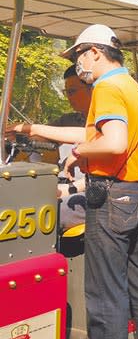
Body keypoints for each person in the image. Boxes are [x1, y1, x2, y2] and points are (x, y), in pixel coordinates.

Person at [59, 24, 138, 339]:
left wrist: (78, 154)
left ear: (94, 51)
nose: (77, 66)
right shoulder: (134, 88)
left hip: (110, 197)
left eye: (78, 57)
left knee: (106, 290)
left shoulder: (106, 87)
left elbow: (114, 141)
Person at [8, 65, 91, 231]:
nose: (68, 97)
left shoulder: (105, 125)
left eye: (72, 91)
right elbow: (45, 134)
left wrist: (67, 189)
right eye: (65, 92)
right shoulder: (70, 119)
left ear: (91, 89)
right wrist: (14, 135)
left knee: (46, 214)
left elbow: (87, 136)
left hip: (88, 192)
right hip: (61, 185)